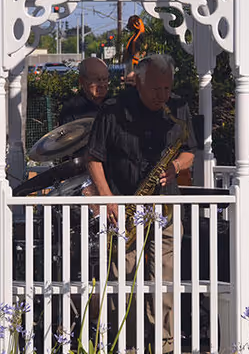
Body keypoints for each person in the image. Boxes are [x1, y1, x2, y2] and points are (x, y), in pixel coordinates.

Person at [85, 54, 198, 353]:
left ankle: (165, 344)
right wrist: (109, 200)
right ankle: (129, 343)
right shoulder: (112, 110)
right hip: (124, 207)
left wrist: (176, 166)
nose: (163, 96)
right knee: (124, 279)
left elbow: (190, 153)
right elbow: (93, 159)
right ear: (139, 83)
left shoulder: (178, 107)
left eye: (167, 88)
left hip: (166, 208)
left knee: (165, 279)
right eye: (156, 89)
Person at [58, 57, 110, 125]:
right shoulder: (72, 110)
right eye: (97, 80)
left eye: (105, 79)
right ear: (82, 81)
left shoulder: (115, 105)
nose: (102, 85)